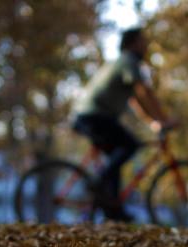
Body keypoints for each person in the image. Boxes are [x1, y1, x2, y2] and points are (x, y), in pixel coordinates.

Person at [72, 27, 176, 221]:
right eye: (142, 41)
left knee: (116, 157)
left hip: (91, 115)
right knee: (130, 145)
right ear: (132, 43)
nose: (146, 46)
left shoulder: (121, 62)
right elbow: (144, 92)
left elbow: (137, 100)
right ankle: (98, 182)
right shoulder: (129, 61)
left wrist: (153, 121)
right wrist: (164, 119)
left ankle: (113, 211)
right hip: (94, 115)